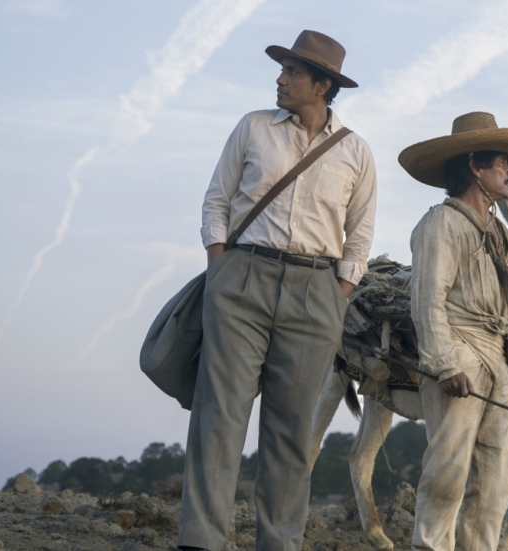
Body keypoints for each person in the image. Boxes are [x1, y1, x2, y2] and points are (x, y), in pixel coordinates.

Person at [179, 30, 377, 551]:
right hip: (241, 278)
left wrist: (339, 291)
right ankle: (200, 540)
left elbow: (358, 236)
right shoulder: (252, 128)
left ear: (322, 85)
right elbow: (216, 201)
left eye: (292, 71)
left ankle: (280, 543)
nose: (280, 78)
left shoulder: (356, 152)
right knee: (218, 416)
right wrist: (219, 265)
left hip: (316, 292)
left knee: (290, 432)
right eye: (283, 69)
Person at [398, 112, 508, 551]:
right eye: (502, 162)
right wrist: (445, 363)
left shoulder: (500, 235)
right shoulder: (441, 224)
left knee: (496, 479)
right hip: (459, 351)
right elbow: (428, 300)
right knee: (447, 473)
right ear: (473, 166)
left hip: (498, 361)